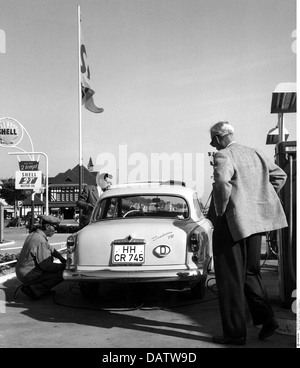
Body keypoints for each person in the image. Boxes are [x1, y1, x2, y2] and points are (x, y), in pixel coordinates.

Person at [208, 121, 288, 346]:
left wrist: (222, 211)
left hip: (232, 225)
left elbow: (222, 183)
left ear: (220, 137)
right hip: (254, 225)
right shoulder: (257, 153)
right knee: (251, 273)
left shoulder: (224, 155)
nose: (213, 145)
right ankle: (267, 319)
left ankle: (235, 334)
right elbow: (280, 176)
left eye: (213, 140)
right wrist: (256, 200)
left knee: (230, 279)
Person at [16, 214, 66, 300]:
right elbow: (47, 266)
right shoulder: (40, 240)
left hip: (23, 272)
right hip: (29, 274)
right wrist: (64, 266)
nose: (56, 230)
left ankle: (38, 288)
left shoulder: (35, 235)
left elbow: (50, 248)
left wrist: (61, 258)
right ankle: (34, 290)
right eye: (55, 227)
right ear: (47, 226)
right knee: (63, 274)